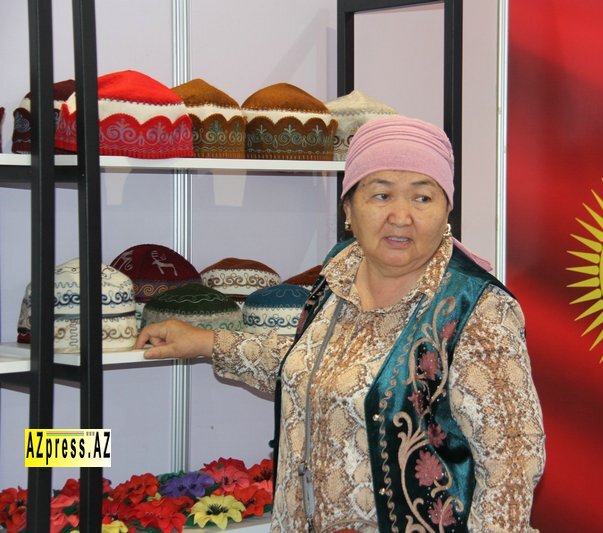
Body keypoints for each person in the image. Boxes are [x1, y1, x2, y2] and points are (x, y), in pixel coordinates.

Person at [136, 116, 545, 532]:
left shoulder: (476, 308)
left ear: (446, 210)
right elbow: (313, 365)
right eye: (381, 194)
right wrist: (207, 342)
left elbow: (512, 458)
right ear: (349, 207)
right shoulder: (338, 273)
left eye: (422, 197)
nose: (401, 216)